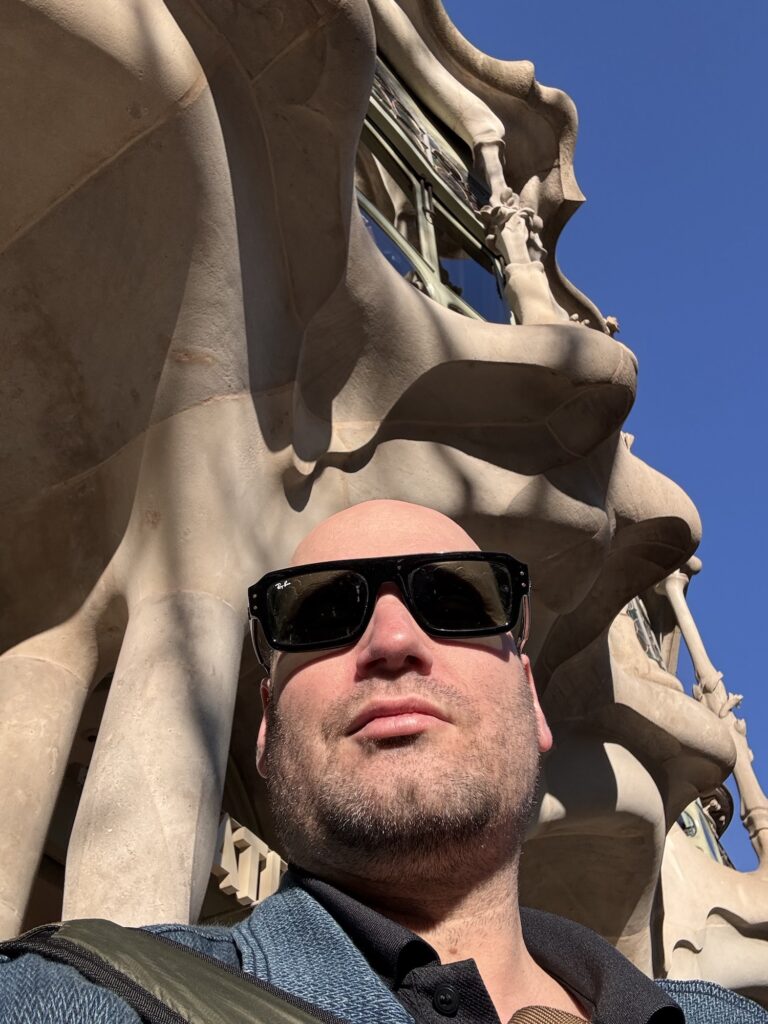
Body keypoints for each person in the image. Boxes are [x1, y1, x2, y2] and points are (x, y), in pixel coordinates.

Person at [0, 499, 765, 1023]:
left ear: (533, 701)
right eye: (324, 612)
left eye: (455, 603)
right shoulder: (79, 998)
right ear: (265, 729)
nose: (393, 641)